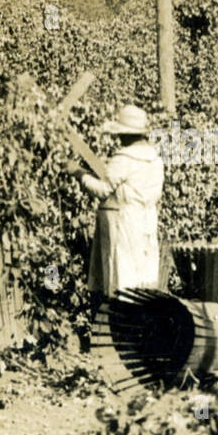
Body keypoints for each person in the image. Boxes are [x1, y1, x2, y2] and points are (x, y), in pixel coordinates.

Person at [69, 105, 164, 301]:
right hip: (146, 222)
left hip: (124, 224)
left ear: (127, 134)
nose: (118, 139)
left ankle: (120, 323)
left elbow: (103, 190)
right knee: (141, 279)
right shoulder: (155, 159)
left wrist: (79, 173)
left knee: (122, 276)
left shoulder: (124, 159)